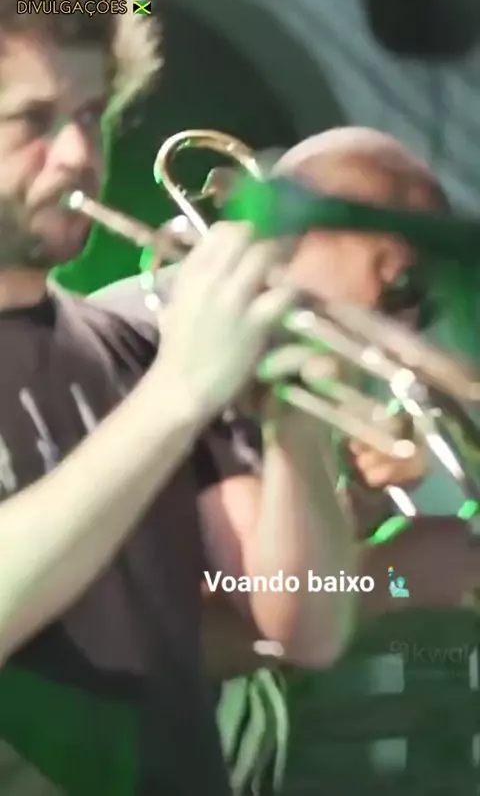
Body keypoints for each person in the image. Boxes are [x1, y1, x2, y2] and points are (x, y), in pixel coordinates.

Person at [0, 0, 359, 796]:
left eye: (92, 114)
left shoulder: (137, 348)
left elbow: (304, 622)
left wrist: (297, 416)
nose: (77, 153)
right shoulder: (171, 376)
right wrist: (179, 395)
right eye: (33, 120)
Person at [92, 126, 480, 796]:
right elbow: (161, 629)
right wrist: (391, 578)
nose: (408, 319)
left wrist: (357, 504)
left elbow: (248, 579)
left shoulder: (279, 366)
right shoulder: (149, 344)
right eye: (402, 282)